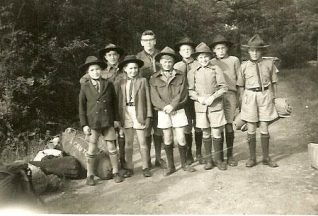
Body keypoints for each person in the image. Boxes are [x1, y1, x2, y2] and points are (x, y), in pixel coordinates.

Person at [150, 47, 196, 176]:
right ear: (160, 62)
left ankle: (184, 164)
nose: (167, 63)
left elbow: (183, 93)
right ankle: (170, 166)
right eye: (164, 61)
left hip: (178, 110)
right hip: (163, 111)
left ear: (173, 62)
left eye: (170, 61)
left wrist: (173, 106)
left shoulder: (180, 75)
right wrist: (165, 107)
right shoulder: (154, 78)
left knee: (181, 137)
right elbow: (154, 97)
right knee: (168, 137)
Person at [80, 43, 127, 170]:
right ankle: (90, 174)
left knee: (117, 143)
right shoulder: (87, 84)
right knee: (92, 147)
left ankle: (119, 168)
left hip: (113, 115)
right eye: (92, 70)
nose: (95, 72)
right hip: (95, 120)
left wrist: (116, 119)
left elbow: (115, 103)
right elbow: (82, 107)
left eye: (97, 69)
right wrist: (84, 124)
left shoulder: (114, 78)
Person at [237, 34, 279, 168]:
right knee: (251, 127)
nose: (254, 53)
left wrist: (274, 98)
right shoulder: (244, 66)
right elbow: (241, 86)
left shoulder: (269, 63)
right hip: (250, 96)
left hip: (265, 95)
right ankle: (252, 158)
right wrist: (242, 102)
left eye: (257, 50)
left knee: (264, 126)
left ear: (262, 51)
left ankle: (266, 157)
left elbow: (274, 82)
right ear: (248, 51)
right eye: (252, 50)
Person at [188, 42, 228, 171]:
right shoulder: (193, 72)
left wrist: (213, 97)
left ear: (209, 57)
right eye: (200, 57)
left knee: (216, 132)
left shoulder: (216, 69)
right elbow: (190, 91)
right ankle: (209, 160)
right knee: (205, 132)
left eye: (205, 57)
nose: (203, 59)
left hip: (215, 104)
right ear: (196, 59)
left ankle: (218, 160)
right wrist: (198, 98)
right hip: (200, 106)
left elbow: (224, 87)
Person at [117, 55, 152, 178]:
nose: (133, 71)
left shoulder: (142, 81)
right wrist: (118, 118)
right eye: (130, 68)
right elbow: (118, 101)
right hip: (126, 112)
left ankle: (145, 166)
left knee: (142, 142)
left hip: (139, 112)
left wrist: (148, 116)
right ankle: (129, 167)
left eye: (136, 68)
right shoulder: (121, 82)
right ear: (125, 69)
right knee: (128, 143)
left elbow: (147, 99)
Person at [136, 30, 166, 169]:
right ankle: (147, 159)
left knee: (159, 129)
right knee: (146, 128)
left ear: (155, 41)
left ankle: (159, 158)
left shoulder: (162, 55)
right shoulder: (138, 58)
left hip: (160, 96)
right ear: (142, 43)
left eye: (151, 40)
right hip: (144, 97)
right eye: (145, 40)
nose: (148, 43)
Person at [210, 34, 240, 166]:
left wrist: (240, 98)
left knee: (229, 124)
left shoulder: (234, 60)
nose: (221, 50)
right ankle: (219, 156)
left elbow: (239, 80)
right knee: (218, 125)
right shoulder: (211, 62)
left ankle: (230, 155)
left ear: (227, 48)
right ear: (214, 51)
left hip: (230, 95)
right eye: (218, 48)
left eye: (223, 48)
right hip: (217, 96)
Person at [174, 37, 204, 165]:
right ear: (180, 52)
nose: (186, 51)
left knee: (198, 125)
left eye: (189, 49)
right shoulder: (177, 65)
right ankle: (188, 153)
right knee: (187, 126)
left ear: (192, 50)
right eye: (183, 49)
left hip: (196, 97)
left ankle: (199, 152)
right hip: (183, 99)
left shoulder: (198, 63)